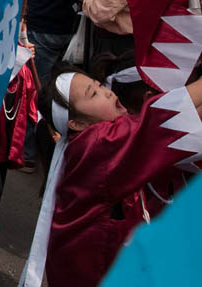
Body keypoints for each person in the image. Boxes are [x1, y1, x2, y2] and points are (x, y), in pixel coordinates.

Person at [21, 67, 202, 287]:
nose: (106, 92)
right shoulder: (94, 145)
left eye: (99, 85)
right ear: (77, 124)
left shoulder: (94, 146)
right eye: (93, 94)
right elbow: (156, 123)